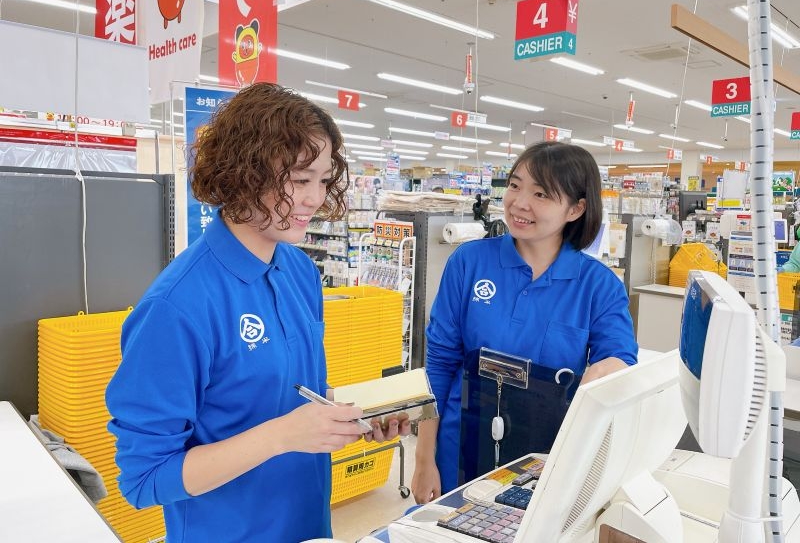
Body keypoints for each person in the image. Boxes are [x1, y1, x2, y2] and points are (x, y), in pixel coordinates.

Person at [106, 83, 407, 543]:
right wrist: (282, 436)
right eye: (299, 180)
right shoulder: (177, 307)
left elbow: (283, 393)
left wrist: (352, 418)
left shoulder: (299, 271)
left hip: (308, 527)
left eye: (323, 180)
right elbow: (145, 480)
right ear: (243, 173)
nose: (315, 199)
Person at [411, 141, 638, 503]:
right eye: (515, 186)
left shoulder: (597, 285)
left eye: (541, 193)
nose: (519, 202)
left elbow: (620, 355)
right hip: (458, 450)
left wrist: (613, 368)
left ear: (576, 208)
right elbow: (438, 367)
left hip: (546, 463)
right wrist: (424, 460)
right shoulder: (469, 263)